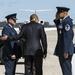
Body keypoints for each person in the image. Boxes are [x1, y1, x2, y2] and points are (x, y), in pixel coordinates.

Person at [53, 7, 74, 75]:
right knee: (65, 70)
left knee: (66, 71)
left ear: (65, 13)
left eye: (59, 13)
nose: (58, 14)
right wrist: (57, 19)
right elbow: (59, 28)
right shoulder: (63, 21)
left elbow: (67, 37)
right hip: (62, 49)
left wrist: (66, 51)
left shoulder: (67, 22)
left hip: (65, 50)